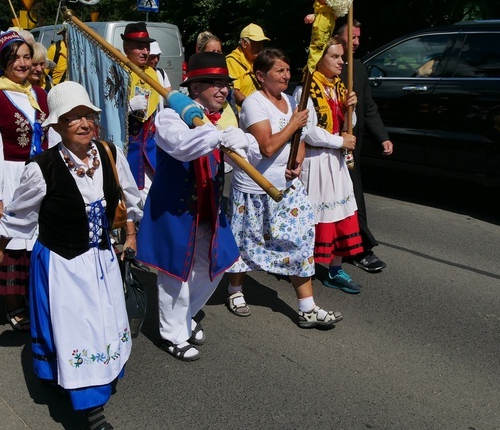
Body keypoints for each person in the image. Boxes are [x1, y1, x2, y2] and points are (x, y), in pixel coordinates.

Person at [0, 81, 141, 430]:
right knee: (78, 333)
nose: (84, 123)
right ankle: (92, 415)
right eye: (73, 118)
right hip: (62, 264)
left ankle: (90, 379)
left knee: (101, 325)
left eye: (88, 115)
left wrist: (129, 236)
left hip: (100, 260)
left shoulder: (109, 154)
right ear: (57, 126)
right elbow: (18, 215)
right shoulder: (42, 168)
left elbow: (128, 200)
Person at [137, 52, 258, 361]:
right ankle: (172, 334)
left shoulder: (220, 117)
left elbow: (238, 157)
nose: (223, 90)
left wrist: (241, 144)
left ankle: (185, 316)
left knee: (218, 263)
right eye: (214, 84)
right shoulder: (169, 116)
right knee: (174, 274)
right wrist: (217, 136)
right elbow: (183, 147)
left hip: (209, 206)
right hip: (174, 210)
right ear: (194, 88)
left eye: (225, 85)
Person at [225, 48, 342, 327]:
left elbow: (299, 140)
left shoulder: (291, 101)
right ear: (260, 76)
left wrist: (298, 162)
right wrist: (293, 124)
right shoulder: (254, 103)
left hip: (288, 187)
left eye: (288, 70)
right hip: (256, 188)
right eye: (279, 71)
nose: (286, 76)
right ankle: (235, 290)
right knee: (246, 243)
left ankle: (307, 307)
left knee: (301, 242)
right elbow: (267, 147)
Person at [0, 29, 53, 332]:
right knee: (13, 238)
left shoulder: (38, 94)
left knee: (38, 239)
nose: (21, 63)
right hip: (9, 174)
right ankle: (12, 303)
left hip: (39, 174)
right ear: (3, 61)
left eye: (25, 57)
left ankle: (36, 296)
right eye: (15, 58)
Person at [296, 37, 363, 293]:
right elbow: (308, 131)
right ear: (320, 59)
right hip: (316, 161)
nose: (341, 61)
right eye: (335, 56)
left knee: (341, 213)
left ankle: (335, 270)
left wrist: (350, 110)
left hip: (336, 160)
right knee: (313, 216)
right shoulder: (306, 88)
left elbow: (349, 124)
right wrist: (340, 140)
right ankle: (303, 266)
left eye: (341, 57)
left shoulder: (339, 86)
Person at [336, 21, 393, 272]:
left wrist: (382, 136)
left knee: (354, 194)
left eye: (360, 37)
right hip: (329, 145)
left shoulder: (358, 68)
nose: (357, 42)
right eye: (353, 36)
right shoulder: (323, 67)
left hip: (352, 146)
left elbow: (369, 107)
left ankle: (361, 249)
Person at [123, 22, 162, 203]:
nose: (145, 52)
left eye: (146, 47)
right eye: (140, 47)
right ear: (126, 47)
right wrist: (129, 107)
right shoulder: (118, 71)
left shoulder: (152, 73)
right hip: (127, 151)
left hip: (151, 149)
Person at [226, 23, 269, 109]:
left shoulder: (258, 60)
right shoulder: (232, 61)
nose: (260, 46)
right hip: (244, 114)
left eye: (261, 42)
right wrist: (253, 109)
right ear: (244, 43)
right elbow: (234, 92)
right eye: (256, 43)